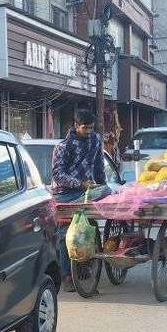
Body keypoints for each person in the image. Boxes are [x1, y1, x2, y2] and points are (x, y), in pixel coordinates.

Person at [51, 108, 108, 292]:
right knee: (65, 235)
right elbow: (58, 175)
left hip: (87, 192)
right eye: (85, 128)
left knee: (88, 230)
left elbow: (99, 166)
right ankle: (66, 275)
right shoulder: (62, 147)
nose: (89, 132)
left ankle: (85, 267)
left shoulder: (96, 140)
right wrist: (80, 184)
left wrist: (102, 185)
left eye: (91, 128)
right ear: (75, 126)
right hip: (64, 194)